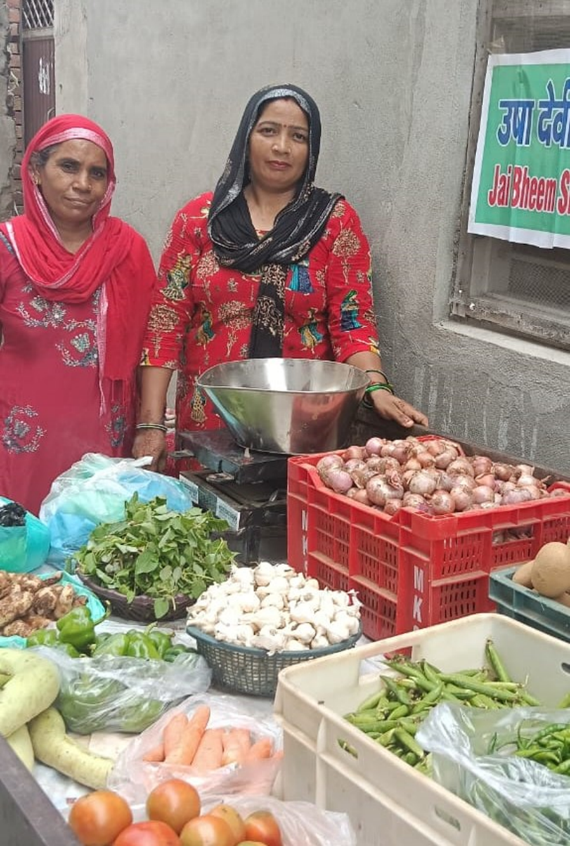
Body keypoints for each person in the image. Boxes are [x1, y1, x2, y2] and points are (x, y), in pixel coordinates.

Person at [133, 84, 427, 471]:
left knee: (295, 506)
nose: (282, 147)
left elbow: (352, 322)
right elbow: (165, 323)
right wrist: (151, 424)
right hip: (210, 422)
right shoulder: (199, 220)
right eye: (268, 131)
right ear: (246, 137)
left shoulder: (334, 222)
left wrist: (377, 385)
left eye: (298, 136)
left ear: (312, 148)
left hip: (304, 425)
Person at [0, 115, 157, 514]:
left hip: (105, 439)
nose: (83, 184)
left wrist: (150, 423)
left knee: (97, 535)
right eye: (68, 166)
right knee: (25, 541)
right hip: (22, 438)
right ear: (36, 172)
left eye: (96, 173)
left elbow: (153, 343)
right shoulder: (8, 247)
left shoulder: (127, 249)